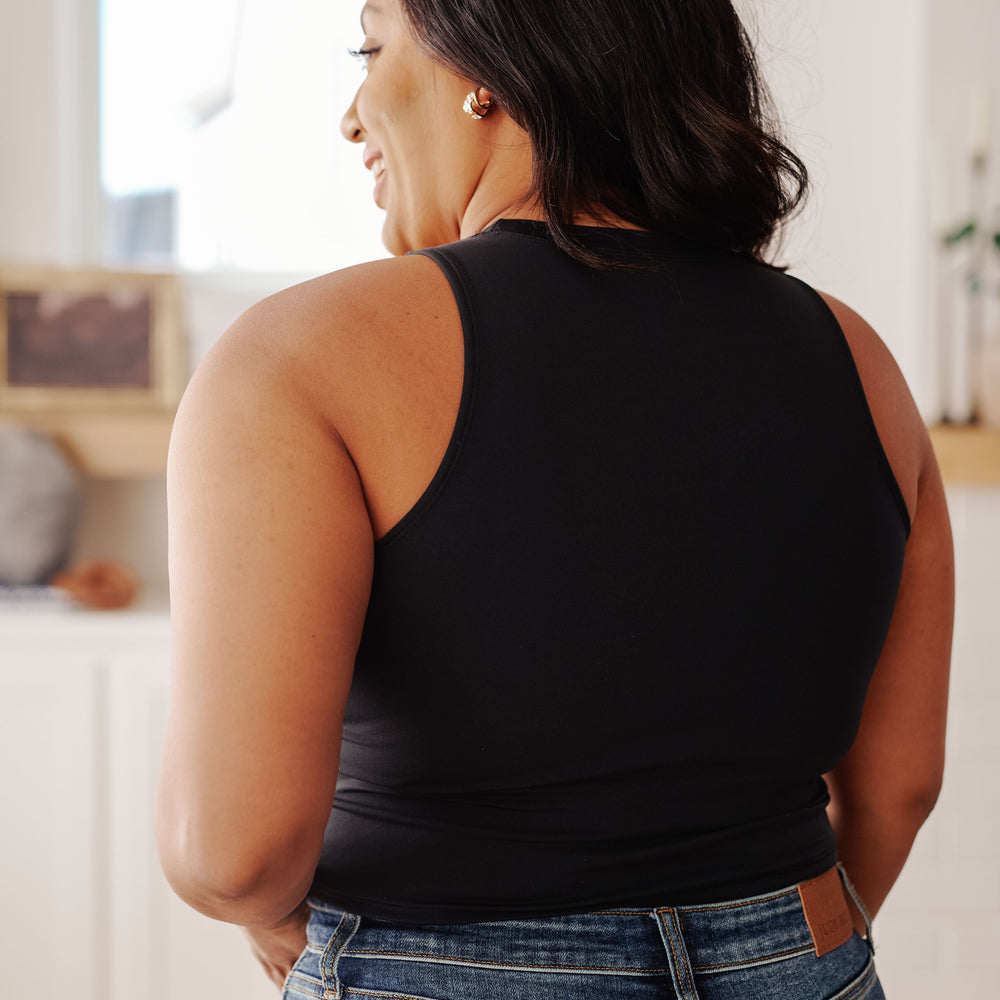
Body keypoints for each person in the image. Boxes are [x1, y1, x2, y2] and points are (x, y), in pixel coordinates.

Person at [155, 0, 954, 997]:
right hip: (799, 953)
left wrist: (278, 921)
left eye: (372, 49)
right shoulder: (858, 360)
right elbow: (899, 785)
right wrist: (769, 950)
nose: (353, 116)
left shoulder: (299, 359)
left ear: (482, 66)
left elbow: (233, 851)